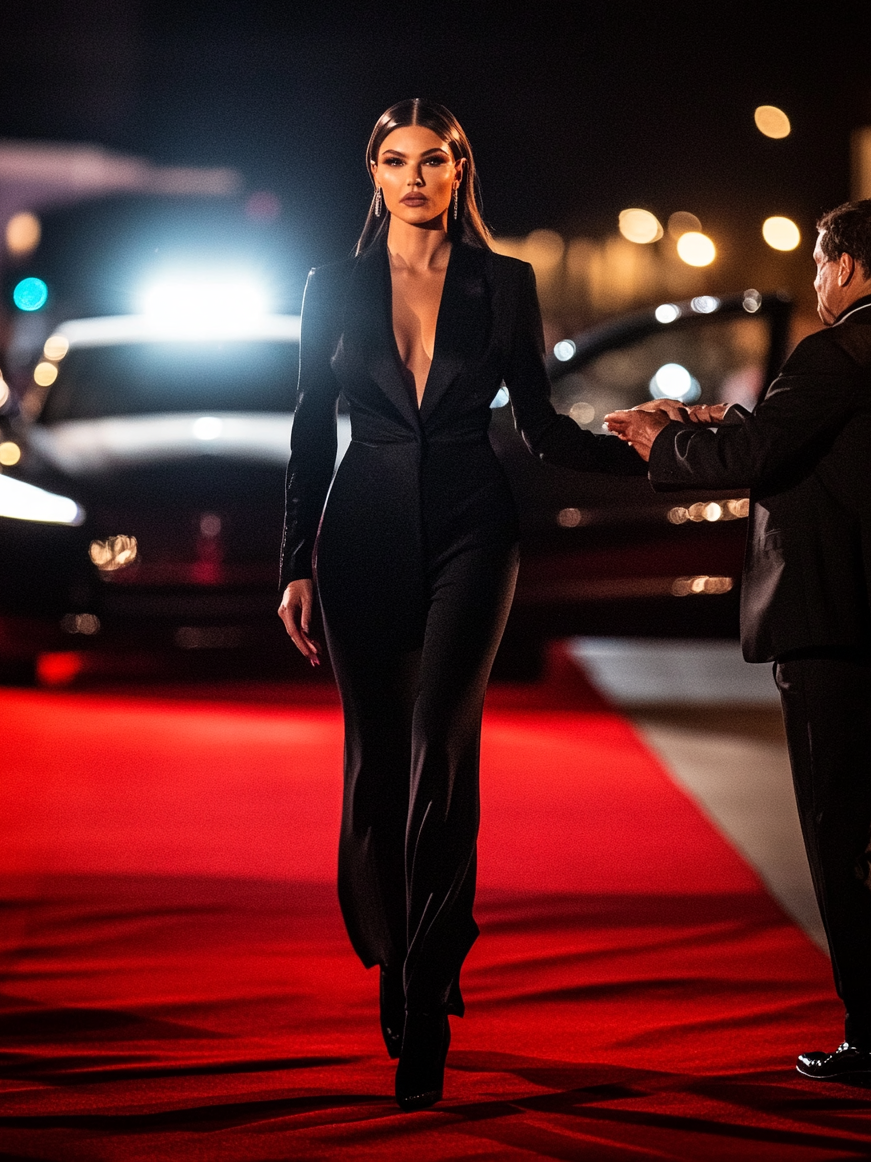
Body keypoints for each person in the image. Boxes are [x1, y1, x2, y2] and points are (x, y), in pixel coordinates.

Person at [278, 99, 645, 1109]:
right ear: (372, 173)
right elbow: (313, 427)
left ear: (458, 172)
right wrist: (291, 565)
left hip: (477, 529)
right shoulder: (331, 286)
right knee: (376, 762)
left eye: (431, 159)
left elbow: (538, 422)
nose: (413, 175)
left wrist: (654, 449)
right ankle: (393, 954)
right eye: (394, 159)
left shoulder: (504, 282)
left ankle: (433, 983)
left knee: (445, 745)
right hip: (358, 531)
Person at [605, 197, 871, 1082]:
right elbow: (805, 443)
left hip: (835, 624)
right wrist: (727, 427)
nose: (814, 282)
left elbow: (752, 462)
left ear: (842, 265)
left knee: (839, 834)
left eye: (816, 265)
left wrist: (658, 439)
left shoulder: (837, 349)